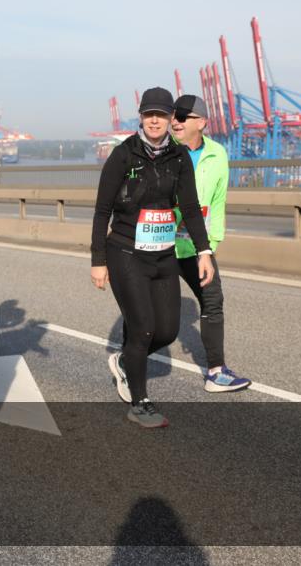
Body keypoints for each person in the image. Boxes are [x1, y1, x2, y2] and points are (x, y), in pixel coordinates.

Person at [90, 87, 214, 428]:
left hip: (163, 255)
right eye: (149, 114)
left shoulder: (178, 158)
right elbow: (102, 211)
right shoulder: (123, 156)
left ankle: (126, 359)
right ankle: (140, 402)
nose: (155, 120)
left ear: (171, 118)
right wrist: (97, 260)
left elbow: (189, 208)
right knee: (143, 327)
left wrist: (204, 252)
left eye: (162, 114)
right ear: (141, 117)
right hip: (126, 252)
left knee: (168, 331)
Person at [170, 95, 250, 392]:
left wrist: (211, 243)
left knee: (213, 301)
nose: (174, 121)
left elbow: (218, 202)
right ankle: (130, 359)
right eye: (173, 115)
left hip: (196, 247)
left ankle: (216, 371)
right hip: (162, 246)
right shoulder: (163, 152)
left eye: (183, 116)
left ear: (202, 122)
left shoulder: (218, 154)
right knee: (152, 312)